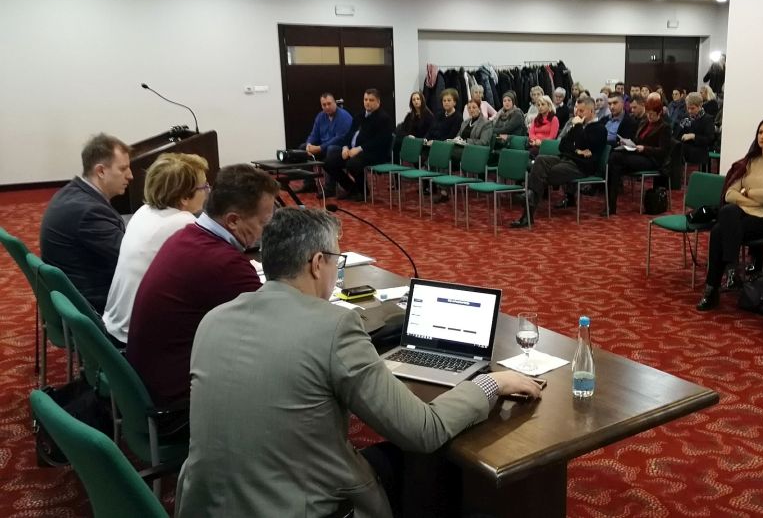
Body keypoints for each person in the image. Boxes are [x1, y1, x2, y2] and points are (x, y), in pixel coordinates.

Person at [174, 207, 541, 518]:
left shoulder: (214, 320)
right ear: (317, 263)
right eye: (337, 260)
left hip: (208, 505)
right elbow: (423, 430)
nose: (336, 269)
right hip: (297, 507)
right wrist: (492, 383)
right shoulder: (333, 326)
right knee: (431, 460)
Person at [126, 164, 279, 406]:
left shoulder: (185, 235)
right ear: (233, 220)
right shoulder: (226, 265)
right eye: (263, 222)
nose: (265, 232)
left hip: (146, 380)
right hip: (176, 399)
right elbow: (279, 329)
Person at [102, 153, 210, 346]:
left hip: (114, 329)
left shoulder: (143, 212)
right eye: (204, 186)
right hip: (137, 340)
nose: (208, 191)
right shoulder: (183, 223)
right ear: (184, 197)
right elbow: (210, 274)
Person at [696, 116, 763, 311]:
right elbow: (730, 194)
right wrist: (754, 200)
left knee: (719, 230)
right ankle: (729, 271)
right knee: (727, 213)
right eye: (760, 132)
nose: (762, 136)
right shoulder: (750, 162)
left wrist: (747, 192)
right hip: (743, 214)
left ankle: (714, 287)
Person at [40, 133, 132, 314]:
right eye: (123, 169)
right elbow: (130, 257)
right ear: (101, 171)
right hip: (93, 304)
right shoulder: (89, 213)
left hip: (73, 293)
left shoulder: (72, 192)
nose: (130, 176)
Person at [510, 96, 606, 228]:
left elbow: (586, 142)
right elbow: (563, 145)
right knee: (540, 160)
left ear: (591, 111)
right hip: (566, 159)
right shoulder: (577, 125)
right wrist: (577, 150)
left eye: (581, 111)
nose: (577, 114)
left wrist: (578, 127)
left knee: (542, 174)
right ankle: (530, 199)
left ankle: (527, 211)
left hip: (582, 166)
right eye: (577, 110)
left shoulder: (599, 129)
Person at [606, 97, 674, 215]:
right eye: (648, 114)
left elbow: (663, 151)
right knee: (614, 160)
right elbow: (637, 140)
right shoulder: (644, 123)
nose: (649, 117)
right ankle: (611, 204)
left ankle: (611, 205)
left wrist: (645, 148)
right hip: (639, 154)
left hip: (652, 160)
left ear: (659, 113)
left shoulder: (664, 127)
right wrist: (627, 143)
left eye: (652, 114)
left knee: (615, 159)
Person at [323, 89, 394, 201]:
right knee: (329, 163)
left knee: (353, 164)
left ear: (378, 102)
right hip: (354, 151)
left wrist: (360, 149)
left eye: (371, 100)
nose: (367, 102)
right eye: (366, 99)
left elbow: (380, 141)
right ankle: (352, 189)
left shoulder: (384, 119)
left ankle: (363, 191)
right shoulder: (359, 116)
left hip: (374, 153)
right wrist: (345, 147)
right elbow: (349, 134)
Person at [302, 93, 352, 159]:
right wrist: (309, 144)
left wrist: (320, 148)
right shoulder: (320, 116)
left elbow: (339, 139)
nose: (327, 107)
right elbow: (314, 134)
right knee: (303, 147)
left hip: (340, 147)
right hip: (323, 147)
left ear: (335, 103)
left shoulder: (344, 116)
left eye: (329, 104)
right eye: (324, 105)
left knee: (331, 149)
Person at [675, 93, 716, 169]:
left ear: (700, 106)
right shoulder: (685, 117)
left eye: (692, 108)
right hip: (685, 149)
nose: (690, 111)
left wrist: (693, 136)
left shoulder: (708, 119)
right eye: (688, 108)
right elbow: (677, 135)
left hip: (700, 150)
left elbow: (709, 139)